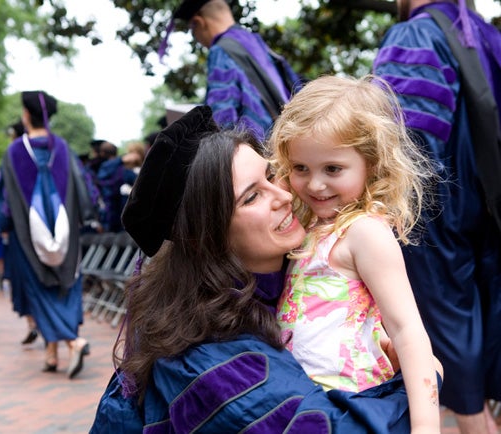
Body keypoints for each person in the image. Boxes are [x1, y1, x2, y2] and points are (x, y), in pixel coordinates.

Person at [90, 105, 430, 433]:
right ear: (209, 233)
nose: (284, 195)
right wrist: (427, 377)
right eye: (252, 197)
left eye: (271, 175)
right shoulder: (208, 357)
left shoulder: (285, 278)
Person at [270, 74, 441, 432]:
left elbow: (407, 329)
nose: (315, 184)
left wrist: (426, 427)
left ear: (372, 164)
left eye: (333, 169)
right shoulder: (311, 228)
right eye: (301, 168)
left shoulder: (364, 232)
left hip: (350, 404)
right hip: (307, 403)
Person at [372, 1, 501, 432]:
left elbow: (402, 141)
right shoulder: (482, 34)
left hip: (437, 214)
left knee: (448, 331)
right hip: (488, 208)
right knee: (482, 325)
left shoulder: (416, 34)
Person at [0, 90, 96, 378]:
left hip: (27, 237)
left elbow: (4, 202)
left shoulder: (13, 153)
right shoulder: (62, 148)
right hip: (67, 234)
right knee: (66, 284)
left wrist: (0, 225)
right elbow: (86, 187)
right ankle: (51, 354)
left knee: (40, 289)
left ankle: (74, 342)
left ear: (26, 115)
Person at [164, 0, 301, 141]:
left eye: (193, 32)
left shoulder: (221, 50)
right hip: (287, 141)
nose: (197, 39)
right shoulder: (257, 43)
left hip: (258, 148)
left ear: (199, 22)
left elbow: (222, 118)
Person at [96, 142, 144, 233]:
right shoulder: (121, 169)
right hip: (118, 217)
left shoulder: (144, 170)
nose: (132, 156)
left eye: (135, 153)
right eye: (130, 153)